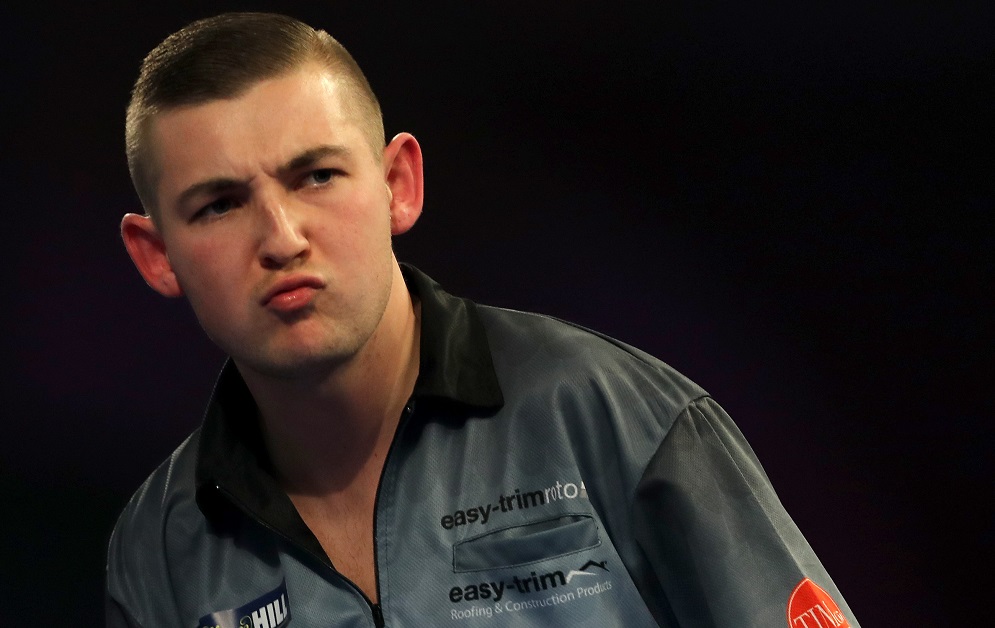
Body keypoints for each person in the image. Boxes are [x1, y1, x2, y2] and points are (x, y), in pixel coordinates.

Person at [106, 12, 860, 628]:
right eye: (220, 205)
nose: (281, 238)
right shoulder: (158, 550)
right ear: (157, 255)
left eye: (317, 176)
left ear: (399, 185)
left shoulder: (618, 419)